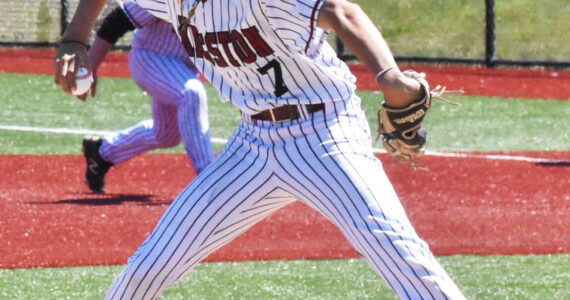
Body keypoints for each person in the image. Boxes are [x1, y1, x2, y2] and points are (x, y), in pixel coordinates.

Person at [54, 0, 466, 298]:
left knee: (398, 253)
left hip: (325, 134)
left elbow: (342, 11)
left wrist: (389, 76)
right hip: (252, 146)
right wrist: (74, 38)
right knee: (148, 268)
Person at [76, 0, 215, 193]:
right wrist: (90, 65)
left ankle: (102, 152)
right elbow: (117, 21)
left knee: (167, 135)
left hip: (183, 68)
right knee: (192, 93)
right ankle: (209, 180)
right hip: (150, 58)